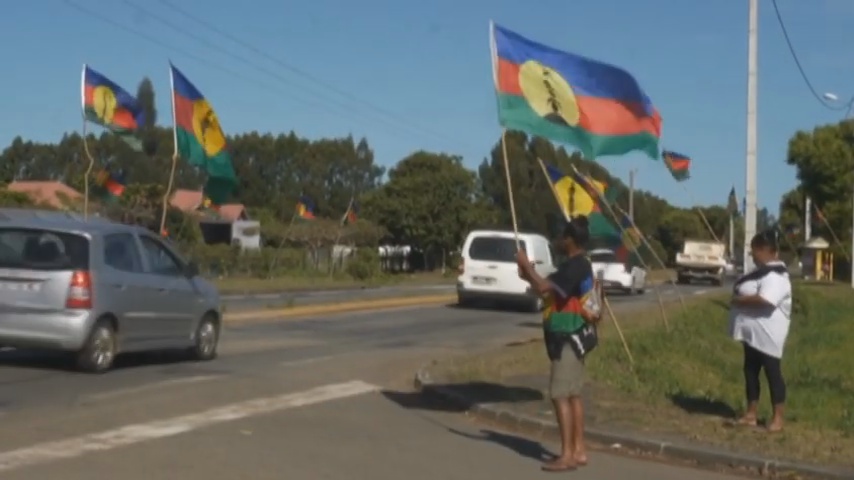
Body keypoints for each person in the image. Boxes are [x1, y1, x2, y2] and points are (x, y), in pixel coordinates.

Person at [516, 216, 602, 472]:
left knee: (560, 395)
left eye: (562, 237)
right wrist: (526, 274)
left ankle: (567, 455)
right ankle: (579, 450)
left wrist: (526, 266)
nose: (558, 241)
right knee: (573, 395)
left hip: (568, 338)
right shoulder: (574, 266)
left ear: (569, 240)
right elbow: (546, 289)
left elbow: (543, 287)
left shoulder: (575, 267)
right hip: (574, 338)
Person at [729, 230, 792, 432]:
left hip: (769, 336)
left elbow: (766, 299)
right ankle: (751, 414)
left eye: (754, 251)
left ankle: (778, 418)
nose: (752, 255)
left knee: (772, 374)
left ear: (764, 250)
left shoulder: (777, 276)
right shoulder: (762, 272)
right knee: (750, 372)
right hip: (753, 335)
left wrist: (739, 301)